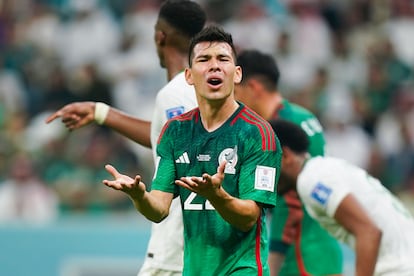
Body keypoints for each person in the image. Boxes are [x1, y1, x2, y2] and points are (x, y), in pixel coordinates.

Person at [103, 25, 282, 275]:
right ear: (189, 75)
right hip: (194, 269)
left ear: (237, 73)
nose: (214, 66)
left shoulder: (258, 133)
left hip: (241, 269)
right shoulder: (176, 132)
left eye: (223, 59)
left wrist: (217, 195)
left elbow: (249, 217)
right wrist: (139, 196)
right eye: (204, 59)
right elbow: (159, 210)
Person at [46, 1, 206, 275]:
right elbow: (162, 137)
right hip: (194, 240)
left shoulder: (176, 92)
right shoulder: (198, 90)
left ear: (160, 36)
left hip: (177, 240)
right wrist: (101, 112)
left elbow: (183, 153)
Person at [234, 49, 342, 275]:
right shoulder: (303, 116)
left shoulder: (276, 131)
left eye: (236, 90)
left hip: (299, 254)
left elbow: (290, 201)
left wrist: (272, 262)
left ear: (253, 87)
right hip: (324, 247)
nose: (234, 100)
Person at [270, 119, 414, 276]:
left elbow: (369, 232)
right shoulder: (324, 169)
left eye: (267, 163)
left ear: (285, 155)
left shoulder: (311, 180)